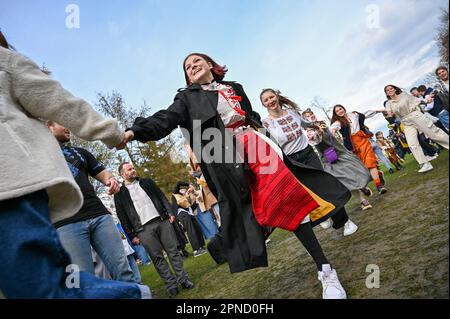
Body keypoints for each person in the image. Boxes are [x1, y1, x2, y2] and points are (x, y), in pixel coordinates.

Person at [119, 53, 353, 299]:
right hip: (223, 159)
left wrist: (270, 142)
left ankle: (326, 271)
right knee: (249, 213)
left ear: (210, 64)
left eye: (196, 61)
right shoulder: (187, 98)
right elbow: (165, 119)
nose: (192, 67)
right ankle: (261, 229)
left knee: (287, 199)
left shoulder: (234, 88)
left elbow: (251, 117)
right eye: (187, 67)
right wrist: (135, 131)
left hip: (255, 148)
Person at [0, 30, 150, 299]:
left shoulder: (5, 63)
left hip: (13, 191)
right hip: (65, 223)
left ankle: (132, 294)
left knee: (42, 288)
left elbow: (61, 102)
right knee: (34, 286)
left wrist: (111, 133)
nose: (66, 129)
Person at [47, 122, 139, 284]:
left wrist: (111, 181)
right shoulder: (35, 157)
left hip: (99, 216)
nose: (68, 126)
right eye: (61, 122)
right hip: (65, 224)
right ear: (49, 127)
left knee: (123, 270)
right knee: (82, 282)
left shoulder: (80, 153)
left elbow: (103, 174)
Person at [259, 88, 359, 235]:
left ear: (277, 97)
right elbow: (267, 146)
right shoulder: (265, 124)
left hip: (308, 154)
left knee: (325, 186)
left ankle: (345, 221)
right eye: (266, 100)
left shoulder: (292, 113)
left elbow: (306, 125)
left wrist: (317, 126)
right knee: (310, 193)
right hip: (292, 162)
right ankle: (324, 216)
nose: (270, 101)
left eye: (271, 97)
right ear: (263, 105)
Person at [114, 162, 195, 298]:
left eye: (133, 168)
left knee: (173, 251)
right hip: (142, 230)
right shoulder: (119, 194)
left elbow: (161, 196)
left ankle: (184, 280)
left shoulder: (147, 182)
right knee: (157, 258)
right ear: (122, 174)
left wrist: (170, 212)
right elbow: (122, 216)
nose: (133, 170)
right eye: (129, 169)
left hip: (162, 220)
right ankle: (171, 286)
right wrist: (131, 235)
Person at [300, 109, 373, 211]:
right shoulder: (309, 131)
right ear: (305, 120)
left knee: (359, 171)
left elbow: (332, 132)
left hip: (341, 152)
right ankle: (362, 200)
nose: (311, 116)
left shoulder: (322, 123)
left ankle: (362, 187)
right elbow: (314, 141)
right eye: (307, 116)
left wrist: (327, 130)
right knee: (345, 180)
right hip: (329, 159)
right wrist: (317, 134)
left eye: (312, 114)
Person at [382, 85, 449, 173]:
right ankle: (425, 164)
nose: (390, 90)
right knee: (412, 143)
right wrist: (385, 113)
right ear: (386, 93)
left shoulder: (404, 95)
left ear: (395, 89)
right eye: (387, 90)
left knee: (434, 134)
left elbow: (416, 100)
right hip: (405, 122)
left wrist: (426, 100)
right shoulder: (388, 103)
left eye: (391, 88)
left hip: (415, 115)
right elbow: (390, 114)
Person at [330, 105, 388, 194]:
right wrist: (333, 132)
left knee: (370, 163)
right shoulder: (338, 122)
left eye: (340, 109)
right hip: (352, 146)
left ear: (344, 108)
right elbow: (334, 127)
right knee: (361, 168)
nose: (340, 111)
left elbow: (366, 114)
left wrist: (380, 110)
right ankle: (376, 176)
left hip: (363, 140)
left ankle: (379, 186)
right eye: (337, 111)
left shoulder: (354, 115)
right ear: (336, 114)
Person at [172, 182, 208, 257]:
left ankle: (201, 246)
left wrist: (196, 200)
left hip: (189, 214)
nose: (184, 190)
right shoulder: (175, 194)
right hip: (182, 214)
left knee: (197, 229)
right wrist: (188, 184)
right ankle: (196, 250)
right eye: (182, 190)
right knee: (191, 231)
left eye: (184, 190)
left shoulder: (185, 198)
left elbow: (191, 207)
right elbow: (178, 184)